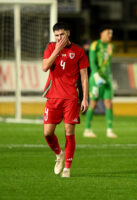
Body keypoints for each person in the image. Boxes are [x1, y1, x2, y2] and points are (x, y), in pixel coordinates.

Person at [42, 22, 89, 178]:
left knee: (69, 131)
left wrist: (85, 99)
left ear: (68, 33)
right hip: (53, 97)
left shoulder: (79, 51)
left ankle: (67, 168)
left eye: (62, 34)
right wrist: (57, 49)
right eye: (56, 35)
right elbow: (44, 67)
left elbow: (84, 77)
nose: (59, 38)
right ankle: (59, 154)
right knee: (48, 133)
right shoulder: (51, 48)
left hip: (71, 97)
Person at [83, 26, 117, 138]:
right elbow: (92, 62)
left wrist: (109, 76)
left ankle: (109, 130)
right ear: (102, 33)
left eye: (111, 33)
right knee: (93, 103)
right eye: (108, 33)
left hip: (107, 79)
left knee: (109, 103)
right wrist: (96, 75)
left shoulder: (111, 46)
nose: (110, 35)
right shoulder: (95, 45)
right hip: (96, 79)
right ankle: (87, 129)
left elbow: (108, 63)